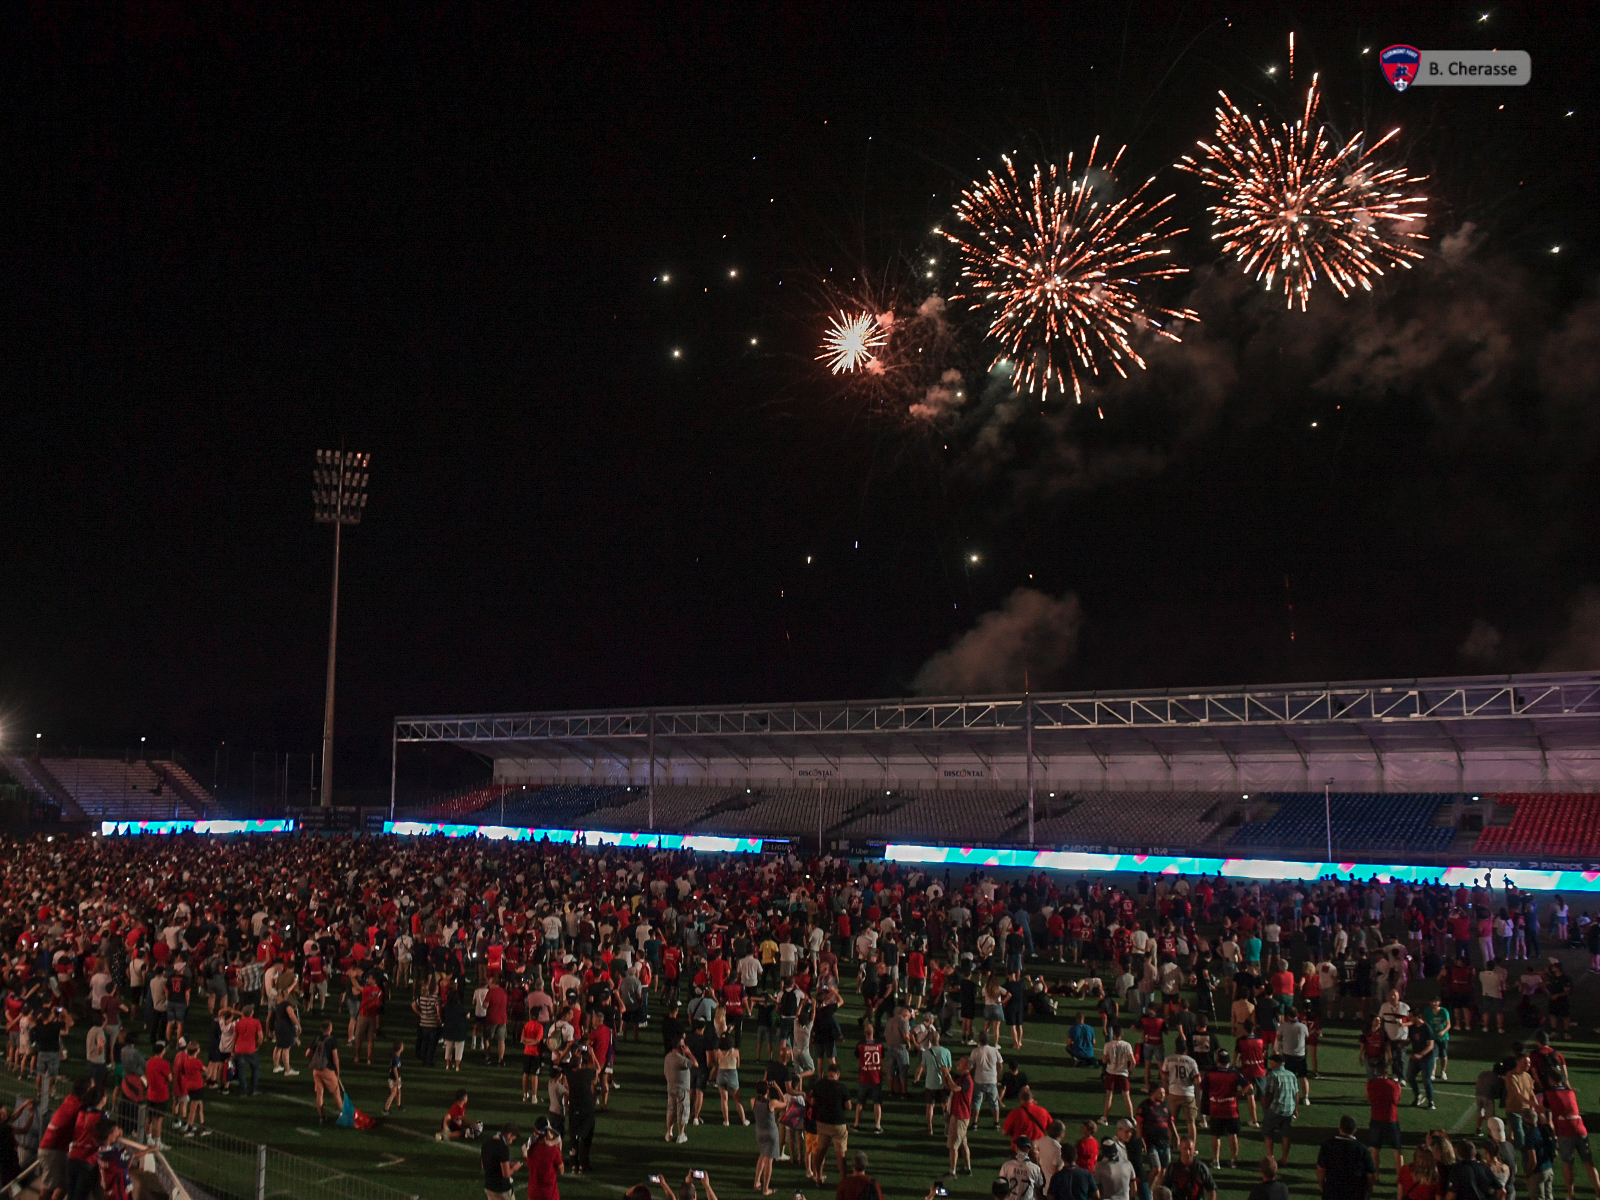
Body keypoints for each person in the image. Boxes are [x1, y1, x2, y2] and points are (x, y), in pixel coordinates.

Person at [1200, 1048, 1244, 1170]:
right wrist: (1238, 1093)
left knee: (1216, 1135)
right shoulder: (1234, 1074)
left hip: (1216, 1109)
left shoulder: (1210, 1073)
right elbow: (1249, 1087)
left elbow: (1202, 1086)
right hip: (1231, 1110)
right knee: (1232, 1135)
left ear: (1217, 1061)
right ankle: (1234, 1161)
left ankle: (1216, 1161)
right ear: (1228, 1062)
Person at [811, 1062, 853, 1185]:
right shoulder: (842, 1087)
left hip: (822, 1123)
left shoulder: (819, 1084)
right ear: (838, 1074)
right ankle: (843, 1181)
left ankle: (818, 1177)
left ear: (828, 1073)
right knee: (841, 1154)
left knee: (820, 1152)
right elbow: (849, 1106)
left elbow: (813, 1102)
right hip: (838, 1123)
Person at [1318, 1115, 1379, 1200]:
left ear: (1340, 1128)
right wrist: (1367, 1190)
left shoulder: (1327, 1146)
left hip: (1333, 1192)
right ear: (1355, 1130)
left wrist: (1322, 1187)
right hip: (1356, 1194)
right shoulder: (1363, 1149)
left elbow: (1321, 1169)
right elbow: (1372, 1175)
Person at [1366, 1066, 1405, 1179]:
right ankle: (1400, 1178)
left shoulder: (1370, 1084)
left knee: (1375, 1150)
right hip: (1391, 1120)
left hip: (1376, 1120)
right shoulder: (1395, 1085)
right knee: (1397, 1150)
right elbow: (1397, 1100)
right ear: (1387, 1072)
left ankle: (1376, 1177)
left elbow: (1369, 1099)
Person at [942, 1057, 975, 1177]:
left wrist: (948, 1075)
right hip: (961, 1115)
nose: (958, 1063)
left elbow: (955, 1088)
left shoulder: (967, 1081)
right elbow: (948, 1086)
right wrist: (945, 1075)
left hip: (960, 1116)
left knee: (953, 1145)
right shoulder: (961, 1078)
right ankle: (967, 1168)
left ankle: (952, 1172)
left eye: (961, 1062)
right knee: (963, 1143)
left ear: (967, 1066)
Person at [1260, 1054, 1297, 1164]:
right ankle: (1284, 1159)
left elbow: (1269, 1093)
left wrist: (1265, 1107)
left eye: (1271, 1061)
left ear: (1276, 1063)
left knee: (1268, 1133)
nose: (1270, 1063)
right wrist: (1295, 1109)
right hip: (1289, 1109)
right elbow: (1296, 1093)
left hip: (1275, 1109)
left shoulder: (1273, 1075)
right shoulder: (1291, 1075)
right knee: (1285, 1135)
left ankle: (1270, 1157)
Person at [306, 1020, 342, 1123]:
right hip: (327, 1070)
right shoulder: (332, 1040)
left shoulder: (317, 1038)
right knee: (336, 1092)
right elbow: (335, 1057)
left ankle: (322, 1117)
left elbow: (307, 1053)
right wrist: (337, 1070)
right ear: (330, 1029)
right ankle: (343, 1114)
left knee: (319, 1093)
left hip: (316, 1070)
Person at [751, 1082, 783, 1195]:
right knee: (769, 1161)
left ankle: (757, 1182)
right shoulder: (771, 1103)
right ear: (767, 1091)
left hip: (760, 1133)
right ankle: (765, 1189)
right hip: (771, 1134)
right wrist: (778, 1088)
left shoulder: (753, 1101)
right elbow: (784, 1103)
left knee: (762, 1155)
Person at [664, 1034, 696, 1144]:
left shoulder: (668, 1057)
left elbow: (665, 1073)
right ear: (680, 1046)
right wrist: (689, 1052)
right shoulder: (680, 1059)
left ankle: (669, 1133)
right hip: (682, 1089)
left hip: (671, 1088)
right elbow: (695, 1064)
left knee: (671, 1111)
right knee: (682, 1111)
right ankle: (681, 1134)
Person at [853, 1024, 883, 1135]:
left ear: (865, 1033)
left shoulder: (860, 1044)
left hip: (864, 1077)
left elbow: (857, 1055)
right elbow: (882, 1055)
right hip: (876, 1077)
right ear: (873, 1032)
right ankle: (877, 1126)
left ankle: (856, 1124)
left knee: (860, 1102)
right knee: (877, 1102)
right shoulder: (879, 1044)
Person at [1102, 1025, 1136, 1124]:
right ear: (1122, 1034)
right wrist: (1130, 1070)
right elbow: (1133, 1061)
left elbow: (1104, 1060)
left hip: (1111, 1072)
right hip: (1123, 1073)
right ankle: (1131, 1118)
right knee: (1127, 1096)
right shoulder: (1127, 1045)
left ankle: (1105, 1118)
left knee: (1109, 1096)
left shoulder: (1108, 1045)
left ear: (1113, 1034)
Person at [525, 1117, 563, 1200]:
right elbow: (561, 1171)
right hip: (549, 1194)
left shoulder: (529, 1148)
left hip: (533, 1193)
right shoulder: (553, 1151)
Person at [481, 1122, 521, 1200]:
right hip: (502, 1189)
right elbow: (506, 1174)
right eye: (512, 1139)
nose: (511, 1142)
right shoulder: (503, 1148)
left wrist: (508, 1164)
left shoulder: (486, 1143)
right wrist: (515, 1167)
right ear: (509, 1134)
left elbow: (484, 1165)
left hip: (489, 1187)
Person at [384, 1041, 404, 1114]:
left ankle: (399, 1105)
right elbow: (394, 1069)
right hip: (394, 1078)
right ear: (399, 1048)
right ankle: (386, 1109)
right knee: (393, 1093)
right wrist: (397, 1079)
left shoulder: (397, 1057)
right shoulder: (396, 1058)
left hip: (396, 1077)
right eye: (402, 1046)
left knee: (398, 1091)